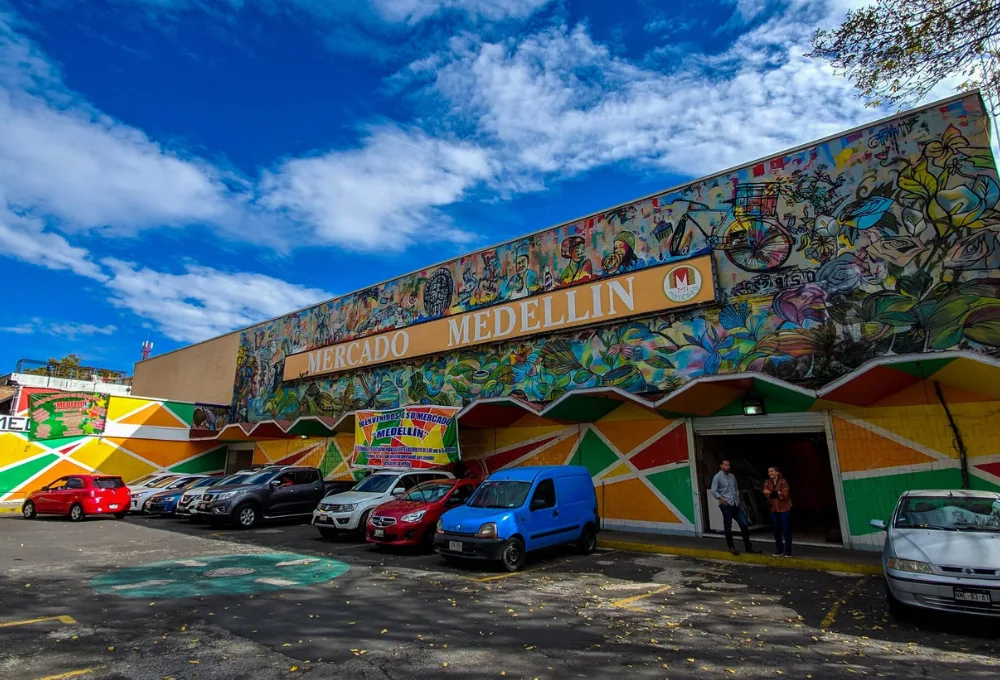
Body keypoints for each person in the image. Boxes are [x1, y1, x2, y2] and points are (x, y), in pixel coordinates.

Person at [711, 460, 755, 555]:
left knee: (744, 524)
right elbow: (714, 490)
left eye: (728, 465)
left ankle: (748, 547)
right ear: (721, 466)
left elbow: (736, 488)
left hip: (735, 503)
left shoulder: (732, 476)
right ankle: (731, 547)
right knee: (728, 526)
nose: (727, 467)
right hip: (726, 504)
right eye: (725, 465)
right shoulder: (717, 477)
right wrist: (722, 499)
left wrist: (738, 498)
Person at [763, 466, 792, 557]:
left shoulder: (783, 481)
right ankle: (779, 550)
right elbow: (765, 492)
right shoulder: (767, 482)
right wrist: (776, 493)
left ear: (777, 472)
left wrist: (775, 493)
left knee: (786, 529)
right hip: (773, 509)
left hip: (784, 509)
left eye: (771, 471)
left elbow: (785, 494)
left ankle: (787, 551)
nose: (770, 473)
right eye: (768, 472)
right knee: (776, 530)